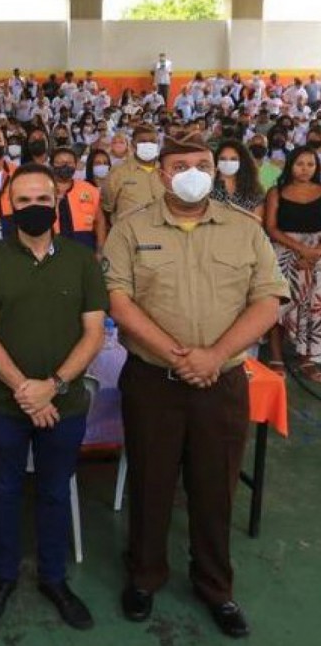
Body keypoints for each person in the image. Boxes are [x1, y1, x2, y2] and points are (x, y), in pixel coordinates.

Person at [103, 137, 287, 639]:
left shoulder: (245, 231)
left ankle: (215, 587)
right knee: (151, 482)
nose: (192, 172)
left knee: (215, 487)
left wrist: (213, 356)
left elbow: (268, 301)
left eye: (202, 165)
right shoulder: (130, 229)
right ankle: (145, 576)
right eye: (180, 165)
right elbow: (119, 302)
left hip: (222, 381)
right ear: (162, 174)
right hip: (152, 381)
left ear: (216, 173)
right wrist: (177, 355)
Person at [0, 162, 107, 630]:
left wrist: (54, 386)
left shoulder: (82, 259)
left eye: (42, 200)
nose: (33, 208)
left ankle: (54, 578)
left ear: (56, 204)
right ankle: (3, 576)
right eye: (23, 201)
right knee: (4, 490)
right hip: (5, 404)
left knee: (53, 491)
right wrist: (25, 389)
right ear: (10, 205)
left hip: (63, 404)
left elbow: (93, 334)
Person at [264, 147, 321, 378]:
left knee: (312, 307)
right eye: (300, 164)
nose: (305, 169)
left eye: (310, 164)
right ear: (290, 165)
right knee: (279, 305)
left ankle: (306, 358)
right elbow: (271, 227)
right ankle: (276, 356)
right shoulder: (276, 192)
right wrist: (301, 251)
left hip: (318, 255)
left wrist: (314, 253)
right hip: (285, 254)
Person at [51, 147, 107, 251]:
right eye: (60, 162)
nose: (65, 165)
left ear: (76, 165)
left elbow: (100, 221)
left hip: (84, 246)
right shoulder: (43, 189)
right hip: (52, 245)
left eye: (69, 162)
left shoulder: (89, 189)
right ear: (52, 165)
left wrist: (100, 250)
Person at [102, 125, 164, 219]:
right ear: (132, 144)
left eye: (152, 141)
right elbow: (107, 208)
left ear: (158, 143)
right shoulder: (118, 171)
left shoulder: (166, 171)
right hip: (128, 231)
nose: (148, 144)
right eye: (142, 141)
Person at [211, 141, 265, 219]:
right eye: (222, 159)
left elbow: (257, 223)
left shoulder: (254, 192)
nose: (227, 162)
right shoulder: (207, 188)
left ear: (242, 162)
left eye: (233, 159)